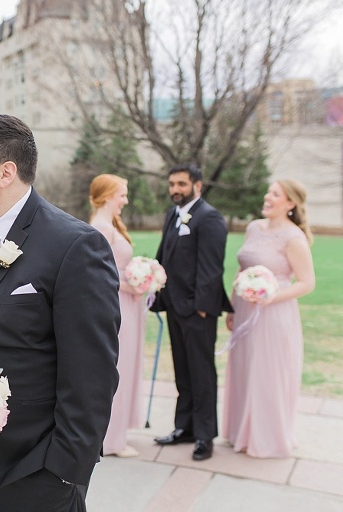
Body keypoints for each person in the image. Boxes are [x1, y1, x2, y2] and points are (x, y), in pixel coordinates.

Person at [0, 113, 120, 512]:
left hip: (38, 472)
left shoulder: (75, 246)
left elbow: (93, 374)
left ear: (6, 172)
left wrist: (63, 472)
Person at [223, 180, 315, 458]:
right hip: (244, 308)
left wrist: (268, 297)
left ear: (290, 204)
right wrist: (232, 306)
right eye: (268, 192)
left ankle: (267, 437)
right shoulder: (253, 228)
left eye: (275, 194)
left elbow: (307, 283)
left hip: (274, 312)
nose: (267, 197)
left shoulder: (293, 238)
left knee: (267, 372)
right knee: (244, 368)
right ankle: (241, 431)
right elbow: (242, 267)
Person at [150, 163, 232, 461]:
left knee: (202, 374)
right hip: (174, 306)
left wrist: (200, 308)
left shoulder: (210, 219)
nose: (175, 189)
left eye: (181, 184)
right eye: (172, 184)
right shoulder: (172, 215)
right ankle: (184, 427)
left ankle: (205, 435)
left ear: (197, 185)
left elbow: (212, 269)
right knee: (183, 372)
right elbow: (164, 257)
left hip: (197, 311)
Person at [89, 174, 146, 458]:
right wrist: (133, 284)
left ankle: (118, 432)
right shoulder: (100, 228)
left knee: (127, 364)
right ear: (109, 195)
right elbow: (98, 277)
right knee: (118, 367)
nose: (125, 200)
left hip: (129, 302)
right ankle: (111, 439)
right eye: (122, 194)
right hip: (117, 303)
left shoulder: (110, 226)